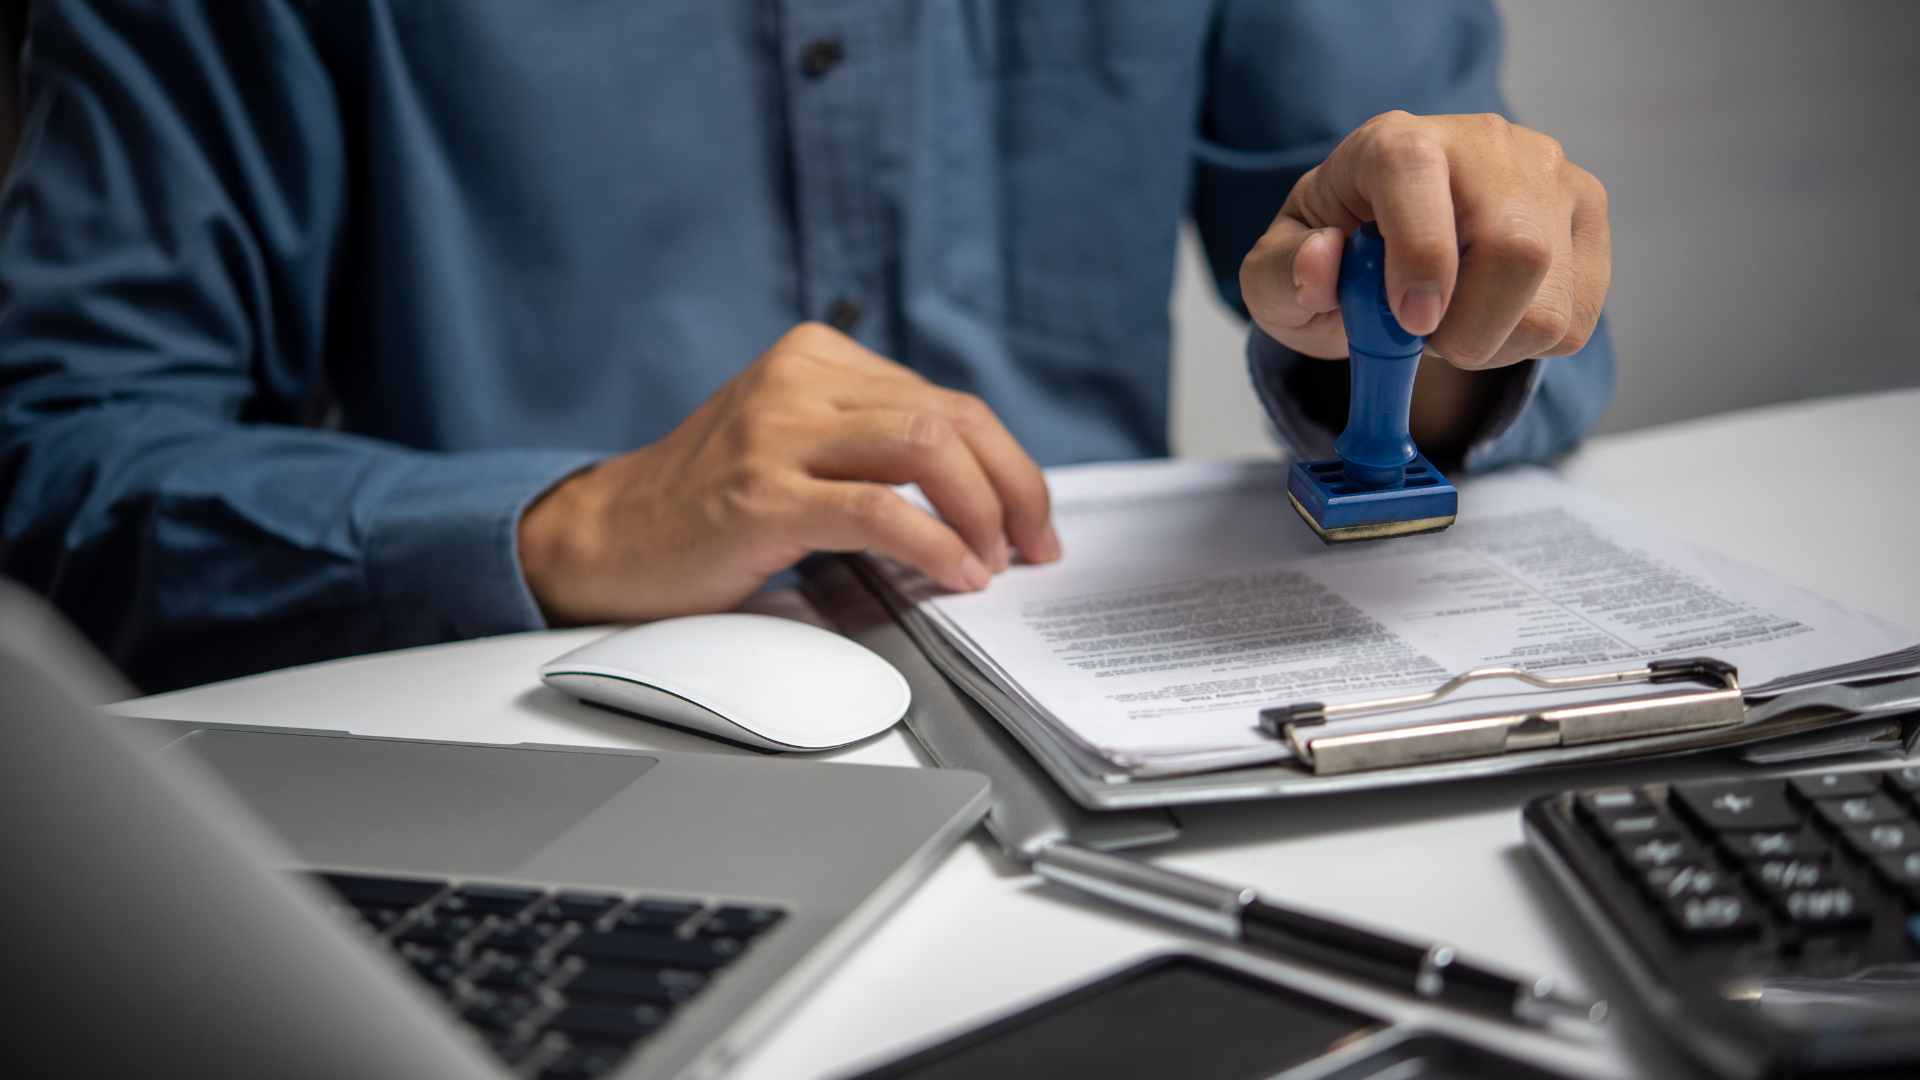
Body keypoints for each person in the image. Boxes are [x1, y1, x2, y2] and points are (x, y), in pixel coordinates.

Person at [0, 0, 1612, 692]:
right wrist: (569, 523)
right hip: (520, 746)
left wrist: (1435, 327)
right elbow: (54, 451)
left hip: (1148, 736)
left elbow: (1495, 298)